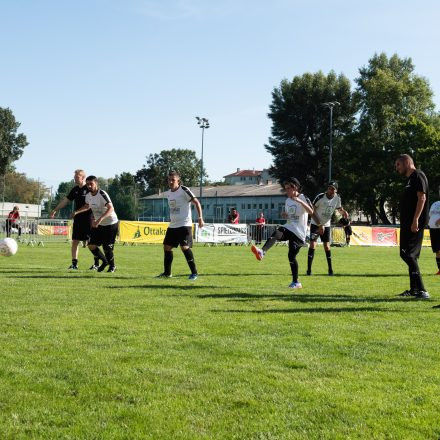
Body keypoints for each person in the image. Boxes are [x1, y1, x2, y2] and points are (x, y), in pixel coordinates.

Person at [251, 177, 317, 289]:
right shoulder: (287, 201)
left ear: (295, 187)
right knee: (278, 231)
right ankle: (262, 251)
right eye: (285, 188)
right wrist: (285, 214)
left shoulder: (302, 197)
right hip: (289, 228)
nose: (286, 191)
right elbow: (289, 214)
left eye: (288, 188)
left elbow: (311, 212)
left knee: (291, 256)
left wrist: (300, 201)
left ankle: (296, 282)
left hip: (299, 233)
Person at [157, 171, 204, 280]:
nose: (170, 181)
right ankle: (167, 273)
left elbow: (197, 202)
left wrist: (200, 218)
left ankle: (194, 273)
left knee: (184, 247)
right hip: (173, 226)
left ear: (178, 180)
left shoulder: (184, 190)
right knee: (167, 247)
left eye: (173, 180)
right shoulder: (168, 193)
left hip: (184, 224)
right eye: (169, 180)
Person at [395, 154, 429, 299]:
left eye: (398, 165)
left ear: (407, 162)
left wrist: (415, 220)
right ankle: (414, 289)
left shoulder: (418, 175)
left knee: (409, 254)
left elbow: (422, 198)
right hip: (407, 224)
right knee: (405, 254)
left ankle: (422, 290)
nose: (396, 168)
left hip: (414, 224)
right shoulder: (410, 179)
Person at [50, 169, 98, 270]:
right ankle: (74, 264)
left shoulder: (89, 188)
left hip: (89, 218)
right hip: (78, 219)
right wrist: (55, 210)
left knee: (91, 242)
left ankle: (96, 263)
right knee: (75, 241)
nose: (75, 179)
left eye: (77, 177)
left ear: (83, 177)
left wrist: (76, 212)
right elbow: (66, 201)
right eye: (74, 177)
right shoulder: (75, 189)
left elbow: (88, 205)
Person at [73, 176, 119, 273]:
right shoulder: (88, 195)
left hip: (111, 223)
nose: (89, 186)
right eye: (88, 184)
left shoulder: (102, 194)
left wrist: (100, 219)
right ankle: (105, 261)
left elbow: (111, 208)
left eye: (91, 184)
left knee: (107, 247)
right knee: (91, 245)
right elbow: (87, 206)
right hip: (99, 224)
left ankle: (112, 266)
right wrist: (77, 212)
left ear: (96, 184)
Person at [307, 181, 348, 276]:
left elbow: (339, 209)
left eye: (333, 188)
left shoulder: (337, 198)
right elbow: (311, 210)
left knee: (327, 246)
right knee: (313, 245)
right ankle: (309, 271)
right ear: (327, 189)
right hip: (316, 224)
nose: (331, 190)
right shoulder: (320, 197)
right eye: (329, 188)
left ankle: (330, 270)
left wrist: (344, 212)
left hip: (326, 224)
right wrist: (319, 224)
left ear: (336, 190)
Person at [428, 186, 440, 275]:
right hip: (433, 229)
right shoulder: (435, 203)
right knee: (437, 251)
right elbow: (430, 215)